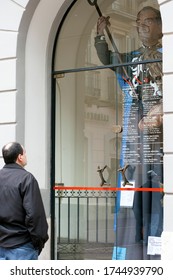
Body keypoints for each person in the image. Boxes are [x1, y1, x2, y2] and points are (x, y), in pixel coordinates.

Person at [95, 6, 163, 259]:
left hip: (160, 141)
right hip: (136, 139)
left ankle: (156, 245)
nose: (141, 26)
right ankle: (136, 244)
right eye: (138, 22)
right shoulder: (133, 57)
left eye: (147, 21)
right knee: (133, 195)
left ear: (160, 24)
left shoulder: (167, 54)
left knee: (157, 195)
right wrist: (101, 36)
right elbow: (109, 58)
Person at [0, 142, 49, 260]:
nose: (26, 156)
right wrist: (39, 242)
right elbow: (35, 216)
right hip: (22, 247)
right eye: (25, 153)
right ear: (20, 157)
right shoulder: (27, 179)